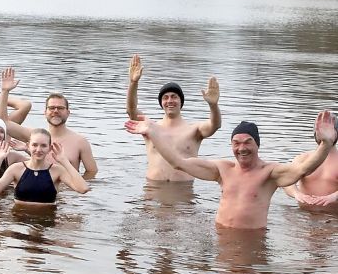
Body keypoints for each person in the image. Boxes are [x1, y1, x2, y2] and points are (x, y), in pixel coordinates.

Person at [125, 112, 337, 229]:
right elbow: (178, 162)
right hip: (221, 237)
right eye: (236, 143)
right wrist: (153, 133)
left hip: (252, 240)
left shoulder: (270, 173)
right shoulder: (221, 169)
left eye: (247, 142)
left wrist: (325, 144)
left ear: (257, 145)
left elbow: (302, 169)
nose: (241, 148)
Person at [126, 54, 221, 181]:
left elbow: (215, 125)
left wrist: (213, 105)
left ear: (181, 102)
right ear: (161, 103)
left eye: (174, 97)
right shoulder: (150, 127)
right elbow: (131, 110)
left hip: (183, 192)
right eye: (165, 98)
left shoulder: (194, 130)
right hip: (153, 191)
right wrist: (133, 83)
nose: (170, 100)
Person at [4, 93, 98, 178]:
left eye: (60, 108)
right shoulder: (33, 135)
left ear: (68, 113)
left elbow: (92, 172)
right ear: (45, 112)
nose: (56, 111)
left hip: (66, 193)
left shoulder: (80, 142)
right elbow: (4, 123)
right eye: (52, 108)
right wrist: (4, 92)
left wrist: (74, 188)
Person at [0, 130, 90, 201]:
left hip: (47, 222)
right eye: (34, 145)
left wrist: (64, 161)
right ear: (28, 146)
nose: (38, 150)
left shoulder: (57, 171)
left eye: (43, 146)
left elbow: (83, 189)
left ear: (49, 148)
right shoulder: (16, 169)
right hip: (19, 222)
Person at [284, 116, 338, 209]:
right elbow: (287, 181)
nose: (323, 134)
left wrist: (334, 196)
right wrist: (297, 194)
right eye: (320, 130)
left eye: (327, 130)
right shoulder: (302, 159)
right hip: (304, 217)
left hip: (333, 218)